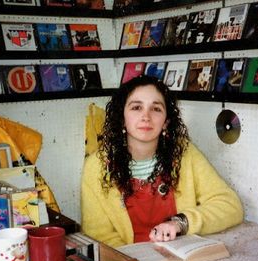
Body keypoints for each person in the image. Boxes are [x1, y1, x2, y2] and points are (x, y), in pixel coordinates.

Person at [81, 75, 243, 248]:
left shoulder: (184, 154)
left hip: (182, 260)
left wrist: (181, 223)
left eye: (156, 109)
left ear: (166, 122)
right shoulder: (96, 166)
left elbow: (231, 205)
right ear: (122, 118)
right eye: (136, 107)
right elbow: (98, 238)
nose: (146, 116)